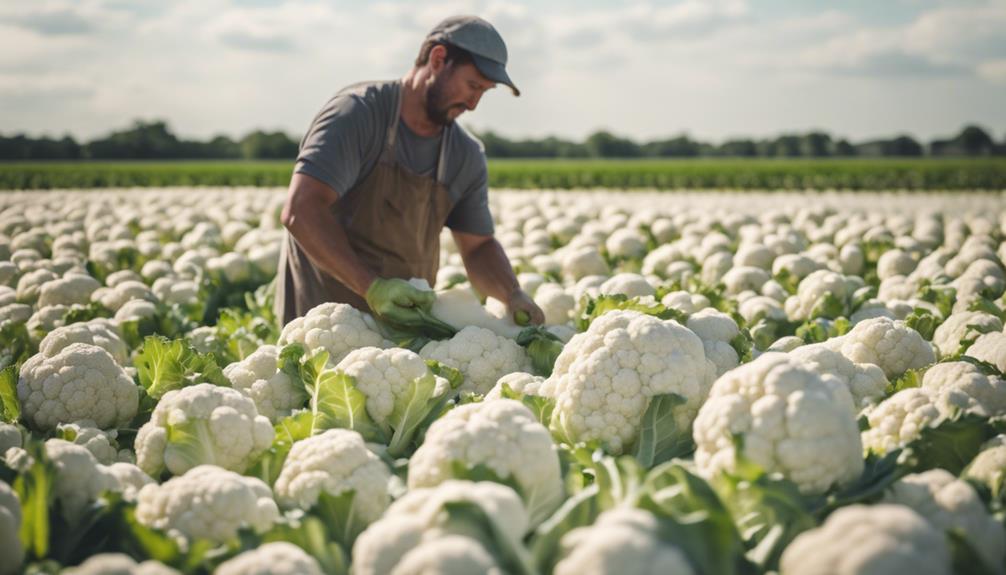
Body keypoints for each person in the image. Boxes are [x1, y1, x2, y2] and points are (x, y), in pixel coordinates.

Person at [276, 15, 544, 331]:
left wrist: (512, 294)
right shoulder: (357, 115)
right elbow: (302, 210)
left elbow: (478, 246)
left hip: (406, 335)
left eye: (484, 91)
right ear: (438, 59)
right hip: (324, 326)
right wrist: (372, 288)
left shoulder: (465, 154)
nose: (473, 104)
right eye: (472, 85)